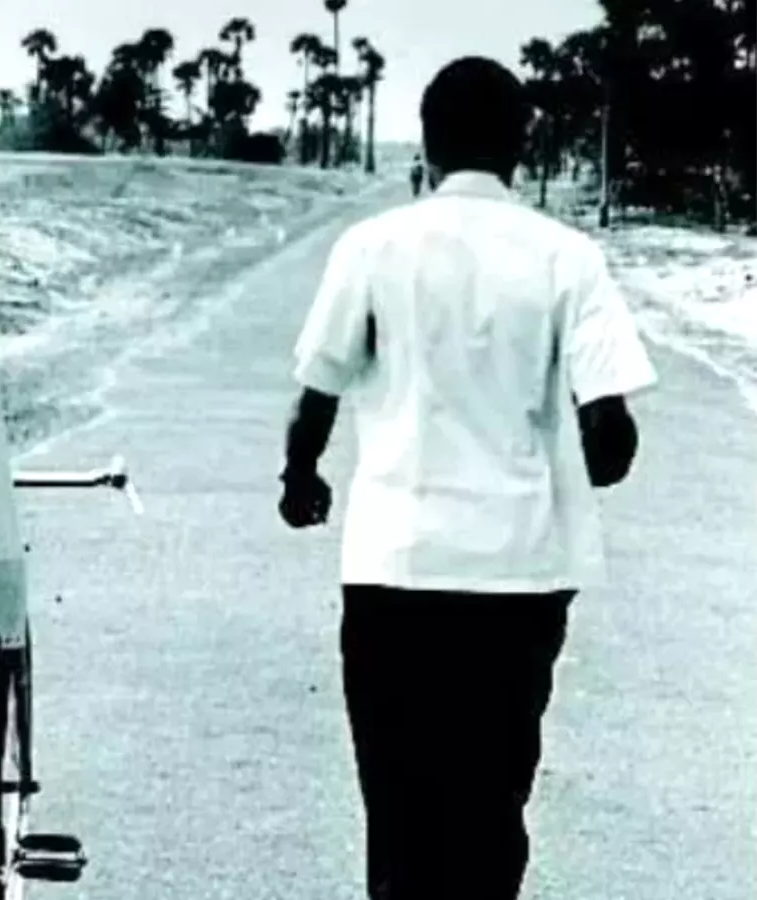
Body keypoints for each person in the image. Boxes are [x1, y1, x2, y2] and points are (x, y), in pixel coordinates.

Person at [278, 57, 656, 900]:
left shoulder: (372, 246)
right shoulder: (569, 257)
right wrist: (560, 459)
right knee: (490, 806)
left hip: (393, 570)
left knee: (400, 808)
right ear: (523, 144)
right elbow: (613, 437)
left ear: (427, 144)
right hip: (518, 578)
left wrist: (299, 476)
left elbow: (318, 391)